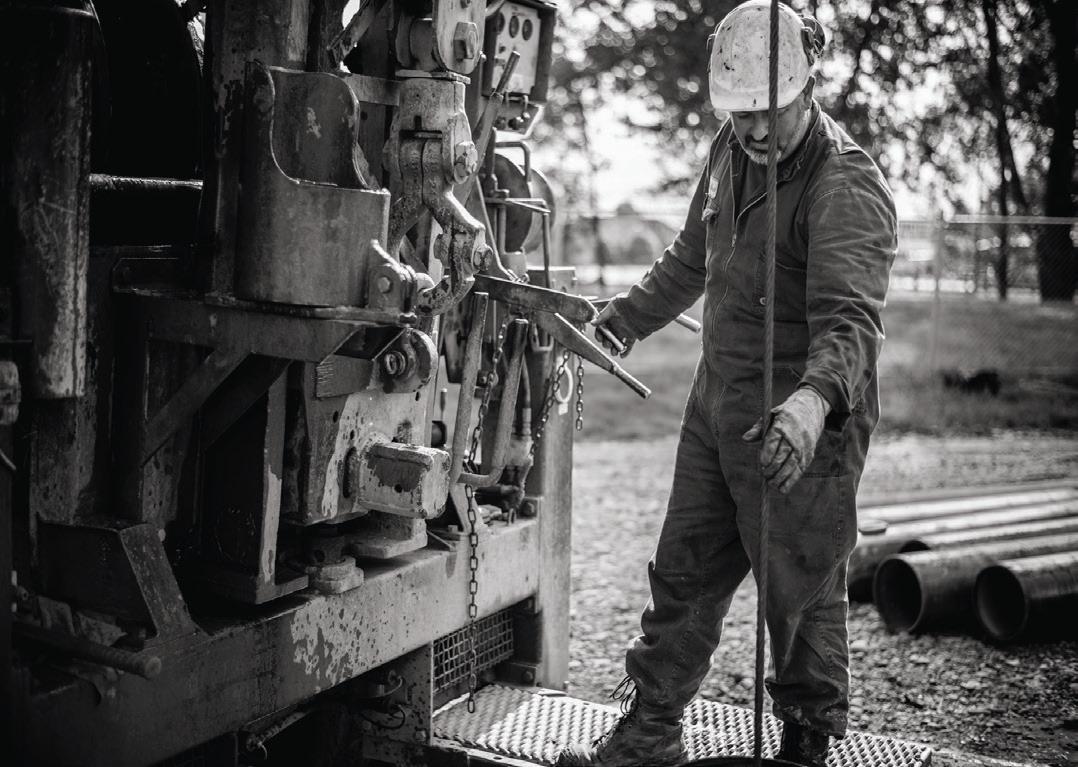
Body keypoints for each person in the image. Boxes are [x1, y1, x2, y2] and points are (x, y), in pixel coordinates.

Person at [555, 2, 897, 766]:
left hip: (801, 422)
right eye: (740, 114)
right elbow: (691, 257)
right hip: (717, 402)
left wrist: (810, 403)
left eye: (770, 111)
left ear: (806, 87)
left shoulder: (844, 183)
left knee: (800, 592)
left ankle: (806, 744)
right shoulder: (729, 150)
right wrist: (622, 321)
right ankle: (650, 731)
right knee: (683, 571)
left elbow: (851, 324)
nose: (755, 129)